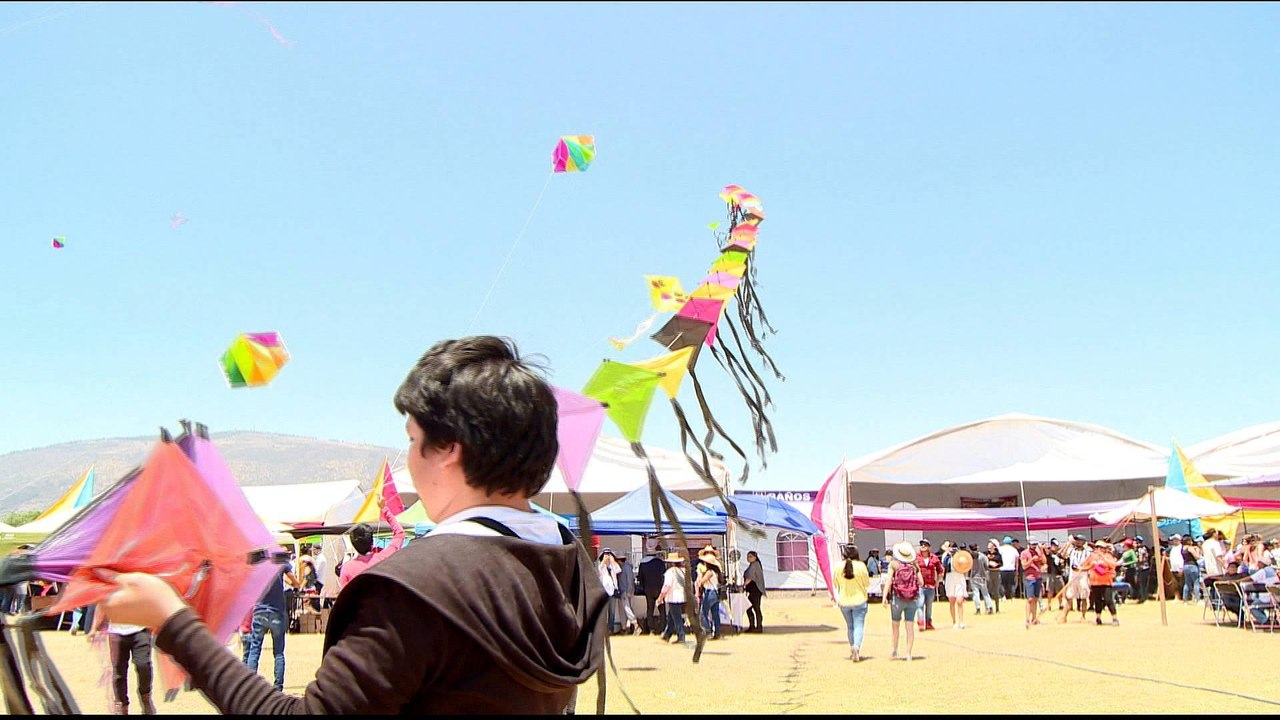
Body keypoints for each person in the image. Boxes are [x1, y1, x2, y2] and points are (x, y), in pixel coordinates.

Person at [98, 336, 608, 713]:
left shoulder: (420, 589)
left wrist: (174, 622)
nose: (409, 456)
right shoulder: (565, 562)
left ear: (450, 447)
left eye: (412, 438)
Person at [244, 549, 299, 691]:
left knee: (255, 649)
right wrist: (293, 584)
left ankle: (251, 686)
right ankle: (278, 687)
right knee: (279, 652)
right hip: (277, 612)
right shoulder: (279, 563)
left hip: (260, 611)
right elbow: (294, 582)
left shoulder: (254, 567)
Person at [91, 609, 156, 715]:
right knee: (118, 671)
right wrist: (94, 628)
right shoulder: (110, 591)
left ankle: (146, 697)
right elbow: (102, 604)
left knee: (144, 665)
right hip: (116, 632)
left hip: (141, 629)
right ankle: (121, 704)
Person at [337, 507, 407, 591]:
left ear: (353, 544)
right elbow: (400, 533)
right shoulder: (384, 557)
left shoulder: (347, 568)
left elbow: (345, 598)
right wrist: (384, 509)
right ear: (372, 542)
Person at [883, 542, 921, 661]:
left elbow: (888, 581)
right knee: (910, 627)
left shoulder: (894, 564)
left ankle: (894, 650)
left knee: (895, 626)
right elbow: (922, 582)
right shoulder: (915, 565)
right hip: (912, 599)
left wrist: (884, 597)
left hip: (897, 598)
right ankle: (908, 653)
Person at [833, 545, 870, 662]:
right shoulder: (861, 566)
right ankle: (857, 647)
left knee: (850, 626)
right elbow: (867, 583)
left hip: (844, 601)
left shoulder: (838, 566)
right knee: (859, 625)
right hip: (859, 600)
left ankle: (852, 646)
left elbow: (836, 583)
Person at [1079, 541, 1119, 626]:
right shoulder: (1092, 557)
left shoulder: (1108, 556)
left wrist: (1104, 558)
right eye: (1099, 548)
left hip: (1106, 582)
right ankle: (1098, 618)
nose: (1101, 550)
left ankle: (1114, 618)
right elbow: (1083, 566)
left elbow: (1113, 565)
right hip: (1095, 582)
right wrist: (1090, 565)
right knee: (1097, 601)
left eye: (1103, 548)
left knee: (1108, 600)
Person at [656, 552, 688, 645]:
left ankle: (681, 636)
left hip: (673, 597)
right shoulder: (683, 571)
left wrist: (660, 597)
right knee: (672, 616)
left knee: (676, 618)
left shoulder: (670, 572)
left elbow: (667, 586)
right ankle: (667, 634)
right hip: (681, 596)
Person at [695, 547, 723, 640]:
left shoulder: (709, 572)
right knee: (715, 614)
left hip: (709, 592)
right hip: (715, 592)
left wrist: (699, 581)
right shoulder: (716, 572)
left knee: (703, 613)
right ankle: (717, 632)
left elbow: (701, 582)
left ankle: (708, 631)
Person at [914, 539, 942, 631]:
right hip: (920, 585)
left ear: (929, 547)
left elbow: (940, 570)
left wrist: (938, 581)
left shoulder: (934, 558)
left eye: (925, 545)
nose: (923, 546)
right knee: (920, 604)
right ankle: (921, 622)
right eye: (921, 545)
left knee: (929, 606)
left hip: (931, 585)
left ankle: (928, 623)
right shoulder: (916, 558)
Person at [637, 549, 666, 635]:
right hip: (659, 587)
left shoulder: (643, 563)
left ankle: (651, 629)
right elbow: (664, 575)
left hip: (648, 588)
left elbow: (640, 577)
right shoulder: (660, 562)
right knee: (662, 609)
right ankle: (663, 628)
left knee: (650, 609)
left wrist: (643, 587)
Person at [1020, 539, 1047, 628]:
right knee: (1030, 599)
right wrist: (1031, 559)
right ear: (1029, 544)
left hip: (1038, 577)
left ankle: (1034, 618)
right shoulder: (1024, 553)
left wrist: (1042, 550)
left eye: (1035, 544)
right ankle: (1027, 619)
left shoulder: (1037, 552)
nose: (1034, 546)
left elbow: (1044, 561)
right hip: (1029, 578)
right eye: (1032, 544)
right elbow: (1024, 566)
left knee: (1035, 599)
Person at [943, 543, 968, 629]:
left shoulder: (960, 556)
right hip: (950, 578)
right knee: (952, 601)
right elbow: (944, 566)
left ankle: (961, 621)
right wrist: (948, 554)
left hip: (959, 577)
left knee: (959, 601)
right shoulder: (946, 557)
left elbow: (966, 564)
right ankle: (954, 621)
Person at [597, 550, 623, 634]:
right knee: (603, 612)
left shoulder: (613, 567)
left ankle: (610, 629)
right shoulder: (601, 566)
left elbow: (619, 570)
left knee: (612, 612)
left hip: (612, 592)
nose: (608, 557)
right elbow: (598, 570)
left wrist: (613, 561)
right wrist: (604, 561)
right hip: (604, 592)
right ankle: (602, 630)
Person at [967, 544, 995, 615]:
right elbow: (987, 565)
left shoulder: (969, 557)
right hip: (982, 576)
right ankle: (990, 607)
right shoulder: (982, 556)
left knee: (976, 593)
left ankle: (978, 608)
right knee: (985, 593)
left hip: (973, 577)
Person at [742, 550, 766, 633]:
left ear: (755, 557)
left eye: (750, 556)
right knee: (750, 608)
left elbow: (750, 578)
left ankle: (758, 627)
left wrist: (743, 585)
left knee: (756, 608)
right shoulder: (752, 565)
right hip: (752, 591)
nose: (749, 558)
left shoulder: (755, 565)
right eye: (748, 556)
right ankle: (752, 626)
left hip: (755, 590)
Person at [617, 553, 640, 635]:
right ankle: (625, 627)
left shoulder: (626, 567)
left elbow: (630, 580)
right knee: (624, 609)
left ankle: (635, 625)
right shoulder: (624, 567)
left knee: (627, 609)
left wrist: (629, 591)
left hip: (625, 591)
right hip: (622, 591)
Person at [1180, 535, 1202, 603]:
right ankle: (1197, 599)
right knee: (1196, 582)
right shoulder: (1190, 548)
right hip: (1193, 565)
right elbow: (1197, 557)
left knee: (1187, 583)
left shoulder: (1182, 548)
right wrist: (1198, 550)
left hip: (1186, 565)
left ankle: (1185, 599)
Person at [998, 536, 1019, 601]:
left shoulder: (1001, 549)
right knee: (1012, 583)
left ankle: (1003, 596)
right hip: (1011, 569)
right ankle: (1013, 596)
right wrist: (1016, 570)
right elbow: (1017, 561)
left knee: (1002, 583)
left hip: (1002, 569)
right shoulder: (1014, 550)